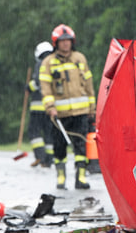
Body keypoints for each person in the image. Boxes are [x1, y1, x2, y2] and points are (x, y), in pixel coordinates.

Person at [39, 25, 95, 190]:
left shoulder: (80, 58)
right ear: (56, 43)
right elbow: (45, 87)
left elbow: (89, 84)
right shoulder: (48, 63)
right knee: (59, 146)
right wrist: (50, 107)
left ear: (72, 42)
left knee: (80, 145)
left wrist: (92, 107)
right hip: (59, 115)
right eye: (62, 41)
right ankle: (61, 177)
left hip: (81, 112)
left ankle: (81, 177)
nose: (65, 44)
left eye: (68, 41)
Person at [27, 41, 55, 167]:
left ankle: (40, 155)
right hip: (52, 106)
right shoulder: (55, 63)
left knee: (34, 131)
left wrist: (28, 87)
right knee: (49, 132)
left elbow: (39, 81)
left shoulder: (41, 63)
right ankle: (48, 159)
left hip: (38, 105)